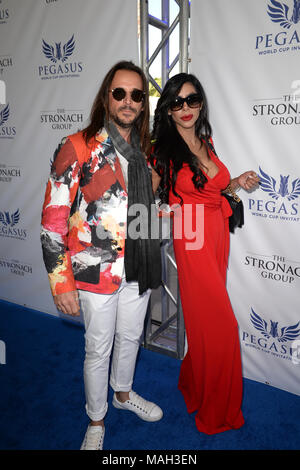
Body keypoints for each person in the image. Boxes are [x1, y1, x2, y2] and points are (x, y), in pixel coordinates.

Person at [40, 61, 163, 450]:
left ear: (144, 105)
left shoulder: (147, 153)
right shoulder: (76, 147)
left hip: (138, 267)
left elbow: (146, 211)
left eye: (137, 95)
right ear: (106, 98)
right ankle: (96, 420)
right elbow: (52, 222)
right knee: (98, 347)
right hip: (94, 272)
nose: (128, 101)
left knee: (130, 337)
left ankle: (122, 396)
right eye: (120, 93)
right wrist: (61, 282)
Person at [149, 73, 259, 435]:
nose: (185, 108)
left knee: (204, 323)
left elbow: (215, 185)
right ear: (167, 108)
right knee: (223, 325)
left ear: (201, 103)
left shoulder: (205, 140)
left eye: (192, 100)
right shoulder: (161, 150)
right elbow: (145, 197)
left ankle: (193, 383)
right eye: (177, 102)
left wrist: (236, 182)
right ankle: (215, 410)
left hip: (216, 234)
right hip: (192, 237)